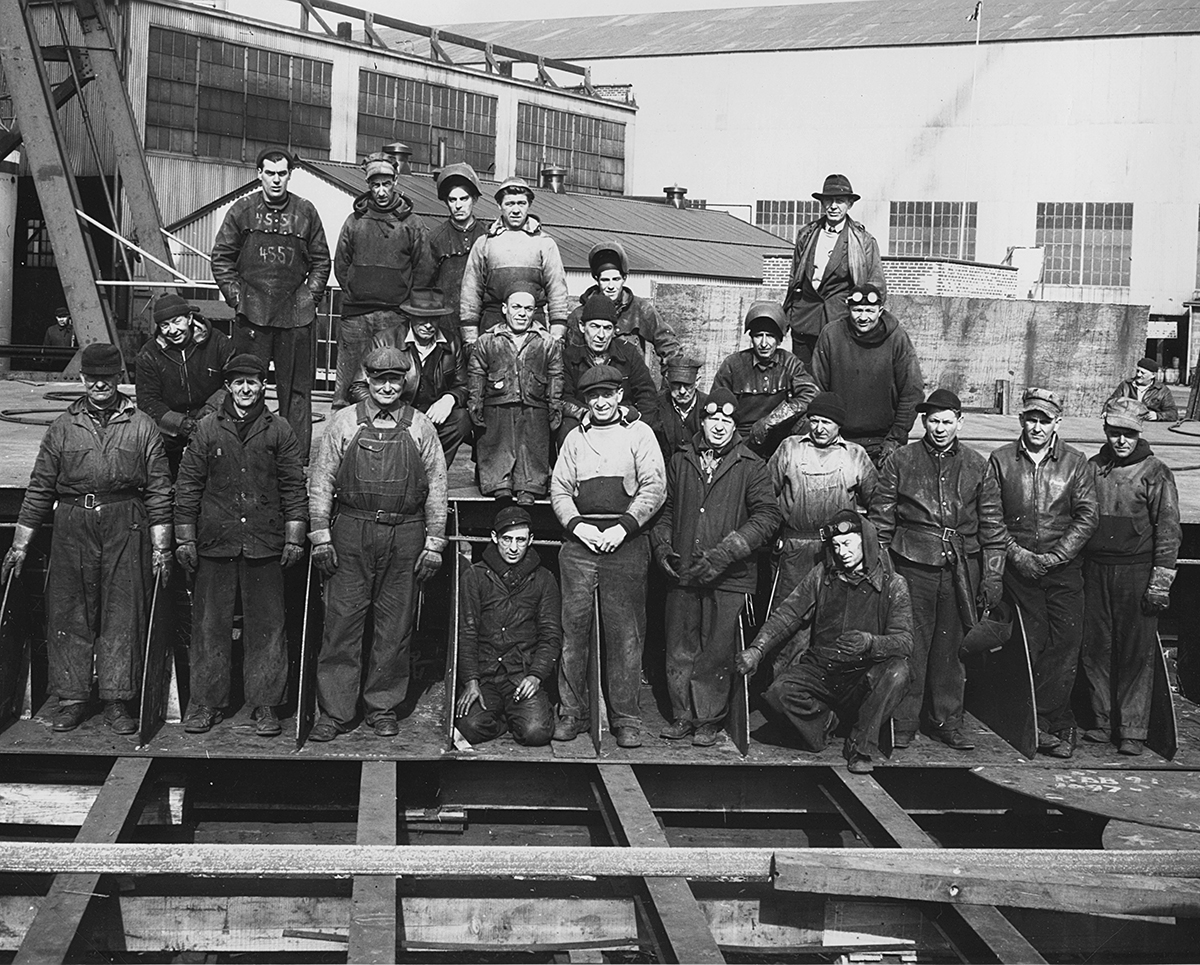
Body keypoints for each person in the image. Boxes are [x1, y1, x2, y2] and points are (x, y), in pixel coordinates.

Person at [1, 344, 172, 734]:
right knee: (68, 611)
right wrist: (20, 543)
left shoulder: (142, 424)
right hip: (73, 523)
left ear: (118, 379)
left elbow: (161, 489)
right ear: (81, 380)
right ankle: (72, 697)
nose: (100, 384)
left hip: (126, 521)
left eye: (108, 378)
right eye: (92, 377)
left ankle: (116, 699)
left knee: (123, 612)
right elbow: (41, 487)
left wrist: (162, 547)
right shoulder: (63, 426)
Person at [306, 346, 448, 741]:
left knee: (395, 626)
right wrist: (320, 535)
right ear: (366, 381)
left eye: (395, 380)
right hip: (352, 530)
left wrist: (434, 543)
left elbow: (437, 487)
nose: (387, 387)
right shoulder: (343, 423)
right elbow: (321, 481)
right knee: (342, 623)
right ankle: (334, 712)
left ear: (405, 383)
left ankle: (382, 707)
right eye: (380, 379)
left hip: (406, 534)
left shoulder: (421, 426)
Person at [173, 354, 309, 738]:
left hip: (264, 544)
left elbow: (293, 488)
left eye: (252, 382)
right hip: (216, 542)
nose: (246, 389)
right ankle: (205, 703)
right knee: (208, 627)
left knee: (268, 628)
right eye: (238, 383)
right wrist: (185, 536)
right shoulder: (205, 430)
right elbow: (187, 486)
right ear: (228, 388)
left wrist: (295, 536)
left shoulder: (279, 430)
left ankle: (264, 705)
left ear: (263, 385)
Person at [870, 388, 1006, 751]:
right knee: (912, 643)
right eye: (933, 421)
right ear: (923, 422)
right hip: (913, 563)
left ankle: (947, 721)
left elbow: (993, 527)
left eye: (947, 421)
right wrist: (883, 569)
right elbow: (880, 522)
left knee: (953, 647)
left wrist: (992, 575)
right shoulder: (901, 460)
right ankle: (903, 721)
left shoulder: (979, 466)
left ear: (960, 422)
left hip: (963, 566)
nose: (940, 428)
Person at [651, 388, 782, 745]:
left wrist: (729, 550)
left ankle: (707, 719)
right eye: (713, 419)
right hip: (684, 571)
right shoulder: (681, 460)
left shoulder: (750, 465)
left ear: (735, 424)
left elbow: (768, 516)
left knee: (716, 650)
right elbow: (665, 511)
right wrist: (662, 546)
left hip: (729, 576)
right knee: (679, 646)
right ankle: (682, 716)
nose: (720, 426)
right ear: (703, 421)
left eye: (727, 420)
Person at [736, 510, 912, 774]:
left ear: (866, 541)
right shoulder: (822, 575)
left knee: (898, 672)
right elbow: (788, 614)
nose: (842, 552)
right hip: (823, 670)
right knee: (777, 694)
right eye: (837, 546)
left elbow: (906, 641)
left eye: (848, 544)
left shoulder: (893, 584)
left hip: (863, 674)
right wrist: (756, 650)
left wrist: (871, 643)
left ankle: (860, 746)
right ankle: (827, 722)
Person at [550, 364, 666, 748]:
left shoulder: (640, 434)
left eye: (607, 394)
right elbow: (560, 489)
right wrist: (578, 526)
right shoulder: (574, 439)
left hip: (626, 543)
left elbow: (654, 487)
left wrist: (623, 528)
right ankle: (573, 713)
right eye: (592, 396)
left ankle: (626, 718)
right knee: (574, 634)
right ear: (586, 401)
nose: (600, 402)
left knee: (626, 635)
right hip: (580, 545)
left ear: (619, 396)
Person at [986, 388, 1098, 759]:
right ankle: (1038, 720)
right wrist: (1018, 555)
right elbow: (990, 516)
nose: (1036, 426)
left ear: (1057, 423)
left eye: (1044, 420)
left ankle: (1047, 720)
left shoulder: (1076, 462)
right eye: (1031, 419)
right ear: (1021, 420)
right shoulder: (1001, 461)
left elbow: (1087, 516)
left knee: (1066, 640)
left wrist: (1056, 556)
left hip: (1062, 569)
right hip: (1020, 569)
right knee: (1031, 640)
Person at [211, 147, 331, 460]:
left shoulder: (306, 212)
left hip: (296, 316)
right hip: (252, 316)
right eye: (270, 173)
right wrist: (237, 298)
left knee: (297, 392)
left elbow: (321, 261)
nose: (276, 180)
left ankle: (294, 458)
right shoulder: (242, 210)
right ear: (259, 174)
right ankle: (249, 454)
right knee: (247, 387)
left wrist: (309, 296)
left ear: (290, 175)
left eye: (282, 173)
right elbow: (221, 257)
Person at [1081, 397, 1181, 756]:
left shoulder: (1156, 472)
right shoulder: (1093, 468)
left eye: (1128, 434)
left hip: (1135, 572)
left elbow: (1168, 531)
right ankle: (1102, 720)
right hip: (1095, 570)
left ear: (1139, 435)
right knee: (1096, 648)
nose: (1120, 441)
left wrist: (1159, 583)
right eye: (1114, 433)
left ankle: (1133, 730)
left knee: (1135, 653)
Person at [331, 151, 433, 408]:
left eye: (386, 184)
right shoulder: (354, 222)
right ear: (368, 186)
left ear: (396, 181)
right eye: (375, 185)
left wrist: (402, 301)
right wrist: (357, 290)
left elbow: (424, 269)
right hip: (356, 317)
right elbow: (341, 264)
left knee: (391, 380)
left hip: (395, 315)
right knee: (348, 387)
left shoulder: (412, 223)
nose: (381, 191)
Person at [455, 506, 561, 747]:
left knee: (536, 733)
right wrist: (471, 681)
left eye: (521, 540)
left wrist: (535, 676)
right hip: (486, 677)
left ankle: (520, 715)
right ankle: (505, 721)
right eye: (507, 539)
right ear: (494, 538)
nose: (513, 548)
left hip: (520, 677)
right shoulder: (475, 576)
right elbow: (466, 632)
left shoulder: (543, 579)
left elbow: (551, 636)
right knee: (470, 727)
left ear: (530, 540)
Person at [767, 391, 877, 604]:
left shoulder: (855, 454)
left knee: (832, 614)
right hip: (793, 550)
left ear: (839, 425)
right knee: (788, 614)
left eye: (826, 422)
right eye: (814, 421)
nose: (818, 428)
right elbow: (764, 495)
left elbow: (879, 502)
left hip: (838, 550)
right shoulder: (790, 447)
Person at [350, 288, 472, 466]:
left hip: (431, 418)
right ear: (410, 316)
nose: (429, 325)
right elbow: (357, 387)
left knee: (461, 420)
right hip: (393, 414)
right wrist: (388, 410)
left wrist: (449, 398)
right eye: (423, 318)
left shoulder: (451, 342)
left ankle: (431, 471)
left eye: (434, 318)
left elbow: (463, 385)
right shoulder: (384, 340)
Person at [468, 285, 563, 504]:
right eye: (516, 307)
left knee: (532, 444)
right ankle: (498, 484)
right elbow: (476, 374)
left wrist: (554, 405)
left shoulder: (547, 342)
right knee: (496, 443)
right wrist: (475, 403)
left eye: (528, 309)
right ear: (504, 309)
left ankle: (529, 486)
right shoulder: (487, 340)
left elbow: (556, 376)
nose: (522, 313)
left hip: (534, 403)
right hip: (497, 403)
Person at [810, 283, 923, 466]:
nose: (863, 317)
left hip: (881, 440)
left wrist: (895, 438)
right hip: (838, 438)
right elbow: (817, 387)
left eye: (869, 311)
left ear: (880, 310)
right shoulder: (831, 335)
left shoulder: (897, 338)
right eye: (857, 310)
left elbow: (912, 392)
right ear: (848, 310)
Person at [782, 174, 886, 366]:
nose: (833, 206)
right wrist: (788, 316)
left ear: (849, 205)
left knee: (836, 381)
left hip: (840, 323)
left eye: (839, 201)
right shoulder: (807, 234)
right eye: (828, 200)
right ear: (822, 203)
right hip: (804, 321)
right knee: (803, 381)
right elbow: (794, 278)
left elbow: (876, 284)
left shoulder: (863, 241)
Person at [458, 177, 570, 344]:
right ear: (499, 205)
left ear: (529, 205)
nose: (516, 210)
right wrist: (471, 339)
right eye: (510, 204)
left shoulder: (544, 243)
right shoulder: (485, 243)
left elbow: (557, 293)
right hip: (492, 324)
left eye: (521, 203)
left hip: (534, 325)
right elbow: (470, 293)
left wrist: (556, 337)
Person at [135, 292, 234, 476]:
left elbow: (233, 380)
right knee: (155, 450)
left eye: (177, 321)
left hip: (213, 417)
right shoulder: (149, 354)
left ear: (189, 318)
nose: (172, 330)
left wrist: (211, 409)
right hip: (170, 424)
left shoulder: (217, 342)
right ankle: (165, 493)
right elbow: (147, 400)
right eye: (165, 325)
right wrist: (180, 424)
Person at [711, 300, 817, 457]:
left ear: (779, 339)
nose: (764, 343)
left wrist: (770, 421)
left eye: (770, 336)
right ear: (751, 338)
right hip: (742, 437)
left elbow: (810, 394)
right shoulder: (733, 364)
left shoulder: (790, 362)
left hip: (780, 434)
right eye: (759, 336)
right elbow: (718, 404)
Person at [565, 241, 683, 379]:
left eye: (616, 279)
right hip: (591, 387)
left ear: (624, 278)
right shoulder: (579, 315)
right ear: (597, 280)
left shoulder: (640, 309)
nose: (610, 286)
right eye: (605, 280)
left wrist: (673, 382)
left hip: (630, 384)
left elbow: (668, 344)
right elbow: (570, 359)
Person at [560, 293, 660, 443]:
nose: (601, 335)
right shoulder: (569, 357)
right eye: (594, 327)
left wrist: (636, 423)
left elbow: (646, 395)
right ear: (582, 327)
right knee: (566, 428)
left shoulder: (628, 353)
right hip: (586, 420)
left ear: (614, 331)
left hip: (622, 421)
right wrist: (593, 415)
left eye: (607, 328)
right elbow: (565, 397)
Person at [429, 162, 490, 339]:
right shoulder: (434, 238)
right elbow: (424, 285)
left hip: (481, 324)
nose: (458, 205)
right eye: (452, 199)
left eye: (464, 199)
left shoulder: (487, 237)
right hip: (446, 325)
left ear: (475, 199)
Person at [655, 357, 708, 459]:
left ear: (697, 382)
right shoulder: (656, 404)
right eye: (676, 384)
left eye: (688, 385)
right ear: (667, 381)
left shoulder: (707, 405)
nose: (682, 391)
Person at [1107, 358, 1178, 424]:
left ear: (1153, 375)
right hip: (1127, 422)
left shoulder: (1162, 390)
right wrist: (1106, 412)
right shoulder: (1126, 385)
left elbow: (1173, 413)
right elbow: (1111, 402)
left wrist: (1157, 415)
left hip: (1151, 427)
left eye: (1143, 373)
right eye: (1138, 371)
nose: (1138, 374)